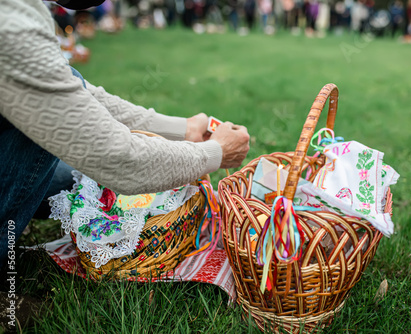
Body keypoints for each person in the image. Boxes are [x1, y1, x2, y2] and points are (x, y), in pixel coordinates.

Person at [0, 0, 250, 268]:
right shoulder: (11, 20)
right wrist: (217, 152)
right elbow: (119, 160)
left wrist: (182, 129)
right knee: (92, 176)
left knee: (74, 179)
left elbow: (75, 92)